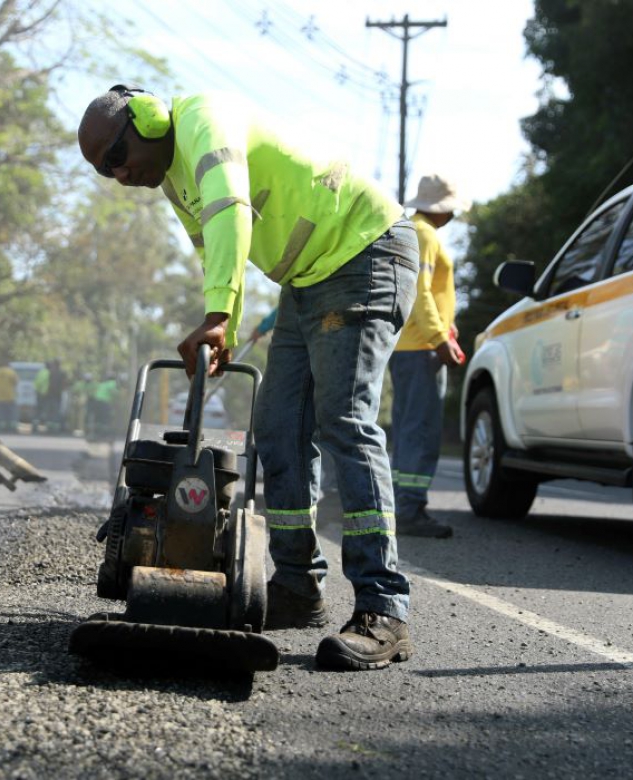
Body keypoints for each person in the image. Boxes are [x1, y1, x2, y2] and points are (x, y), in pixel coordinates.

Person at [78, 85, 418, 671]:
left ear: (148, 120)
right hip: (309, 281)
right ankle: (296, 585)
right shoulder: (172, 179)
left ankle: (383, 608)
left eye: (115, 156)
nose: (117, 174)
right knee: (279, 430)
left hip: (366, 252)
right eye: (103, 171)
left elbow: (232, 208)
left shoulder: (204, 121)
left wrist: (216, 316)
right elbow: (215, 245)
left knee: (345, 423)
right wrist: (224, 326)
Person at [390, 175, 470, 539]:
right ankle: (409, 509)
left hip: (412, 347)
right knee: (420, 432)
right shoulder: (424, 234)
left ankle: (400, 507)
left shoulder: (415, 229)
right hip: (421, 348)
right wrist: (440, 338)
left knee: (409, 430)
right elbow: (419, 293)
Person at [0, 363, 19, 432]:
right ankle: (12, 427)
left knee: (1, 412)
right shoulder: (11, 372)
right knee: (11, 412)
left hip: (0, 395)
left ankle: (1, 427)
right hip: (10, 395)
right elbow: (16, 382)